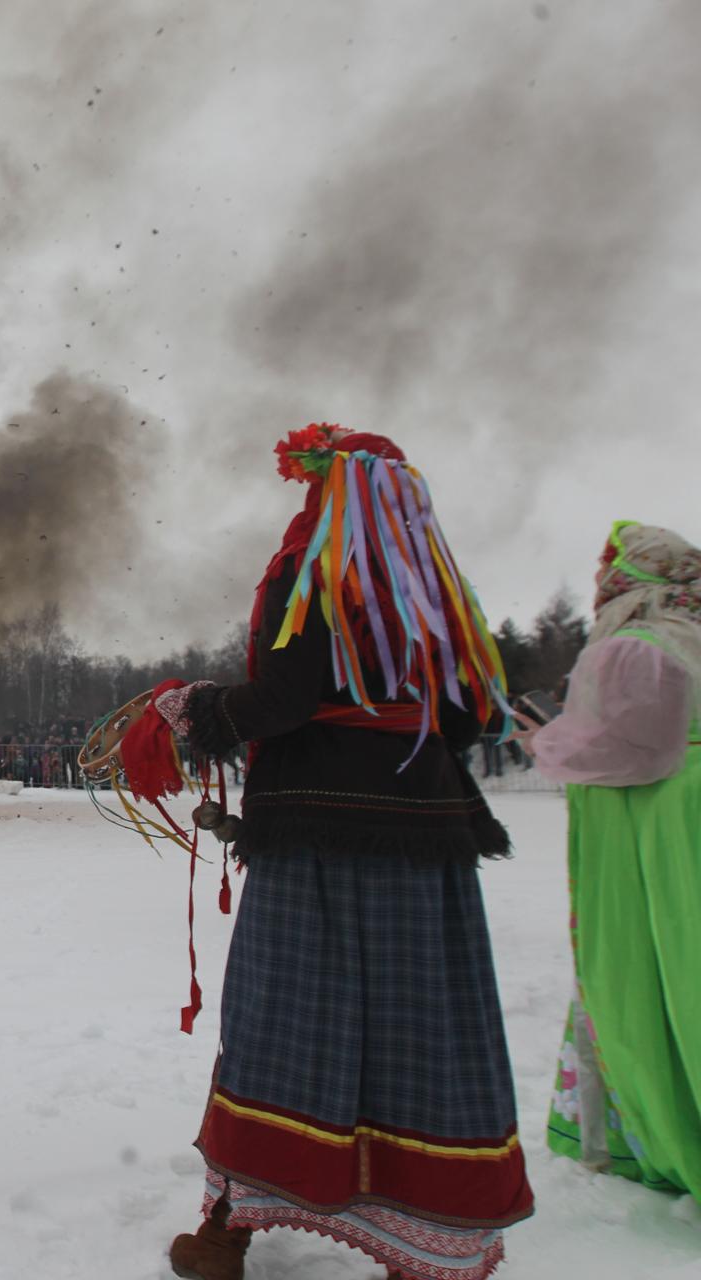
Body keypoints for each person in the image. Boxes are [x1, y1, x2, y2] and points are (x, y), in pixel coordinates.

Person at [149, 428, 533, 1280]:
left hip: (316, 841)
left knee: (282, 1022)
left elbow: (284, 698)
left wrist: (196, 710)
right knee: (418, 1032)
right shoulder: (439, 590)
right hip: (426, 846)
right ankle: (427, 1241)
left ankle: (226, 1232)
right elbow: (472, 717)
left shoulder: (316, 571)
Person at [529, 521, 701, 1195]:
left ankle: (663, 1127)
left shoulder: (637, 643)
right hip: (678, 822)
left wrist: (549, 743)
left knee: (651, 970)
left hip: (653, 830)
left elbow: (635, 751)